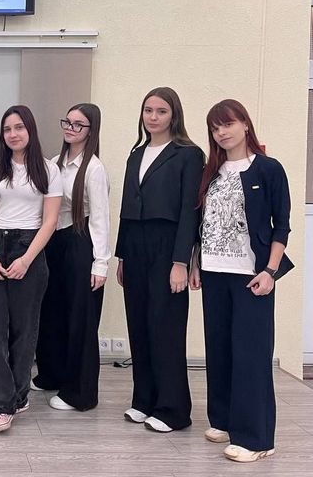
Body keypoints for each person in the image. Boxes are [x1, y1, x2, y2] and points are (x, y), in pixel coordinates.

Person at [189, 99, 292, 463]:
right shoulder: (211, 172)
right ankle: (224, 420)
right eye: (215, 127)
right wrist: (196, 262)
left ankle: (257, 438)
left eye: (228, 124)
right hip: (215, 272)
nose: (222, 132)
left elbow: (282, 226)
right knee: (219, 349)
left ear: (245, 124)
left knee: (251, 354)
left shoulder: (268, 168)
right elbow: (203, 224)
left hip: (252, 276)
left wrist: (271, 271)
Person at [115, 86, 204, 433]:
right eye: (148, 110)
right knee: (138, 322)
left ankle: (173, 409)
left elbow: (189, 211)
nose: (153, 117)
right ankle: (144, 400)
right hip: (135, 245)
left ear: (174, 115)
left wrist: (181, 261)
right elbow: (126, 207)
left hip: (167, 245)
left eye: (161, 111)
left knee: (165, 326)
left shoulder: (188, 154)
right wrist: (122, 255)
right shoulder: (136, 154)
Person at [0, 105, 62, 433]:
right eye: (7, 129)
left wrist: (26, 259)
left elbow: (50, 221)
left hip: (30, 248)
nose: (13, 134)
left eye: (19, 127)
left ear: (30, 130)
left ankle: (19, 393)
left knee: (24, 330)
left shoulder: (48, 170)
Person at [32, 103, 110, 411]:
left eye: (79, 124)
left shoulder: (94, 169)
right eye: (68, 122)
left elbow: (101, 218)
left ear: (91, 131)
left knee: (80, 318)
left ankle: (79, 393)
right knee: (51, 311)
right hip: (55, 242)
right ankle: (51, 374)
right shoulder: (55, 163)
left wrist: (100, 263)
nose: (70, 128)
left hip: (81, 242)